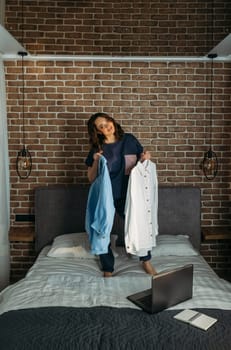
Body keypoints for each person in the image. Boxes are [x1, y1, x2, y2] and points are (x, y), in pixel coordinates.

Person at [85, 112, 157, 277]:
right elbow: (90, 178)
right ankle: (108, 267)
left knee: (138, 226)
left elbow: (142, 161)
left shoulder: (129, 140)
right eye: (101, 126)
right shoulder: (98, 149)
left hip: (130, 195)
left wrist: (147, 157)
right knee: (103, 229)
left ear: (113, 121)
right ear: (97, 131)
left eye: (107, 121)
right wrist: (96, 160)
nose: (106, 126)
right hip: (107, 196)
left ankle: (146, 262)